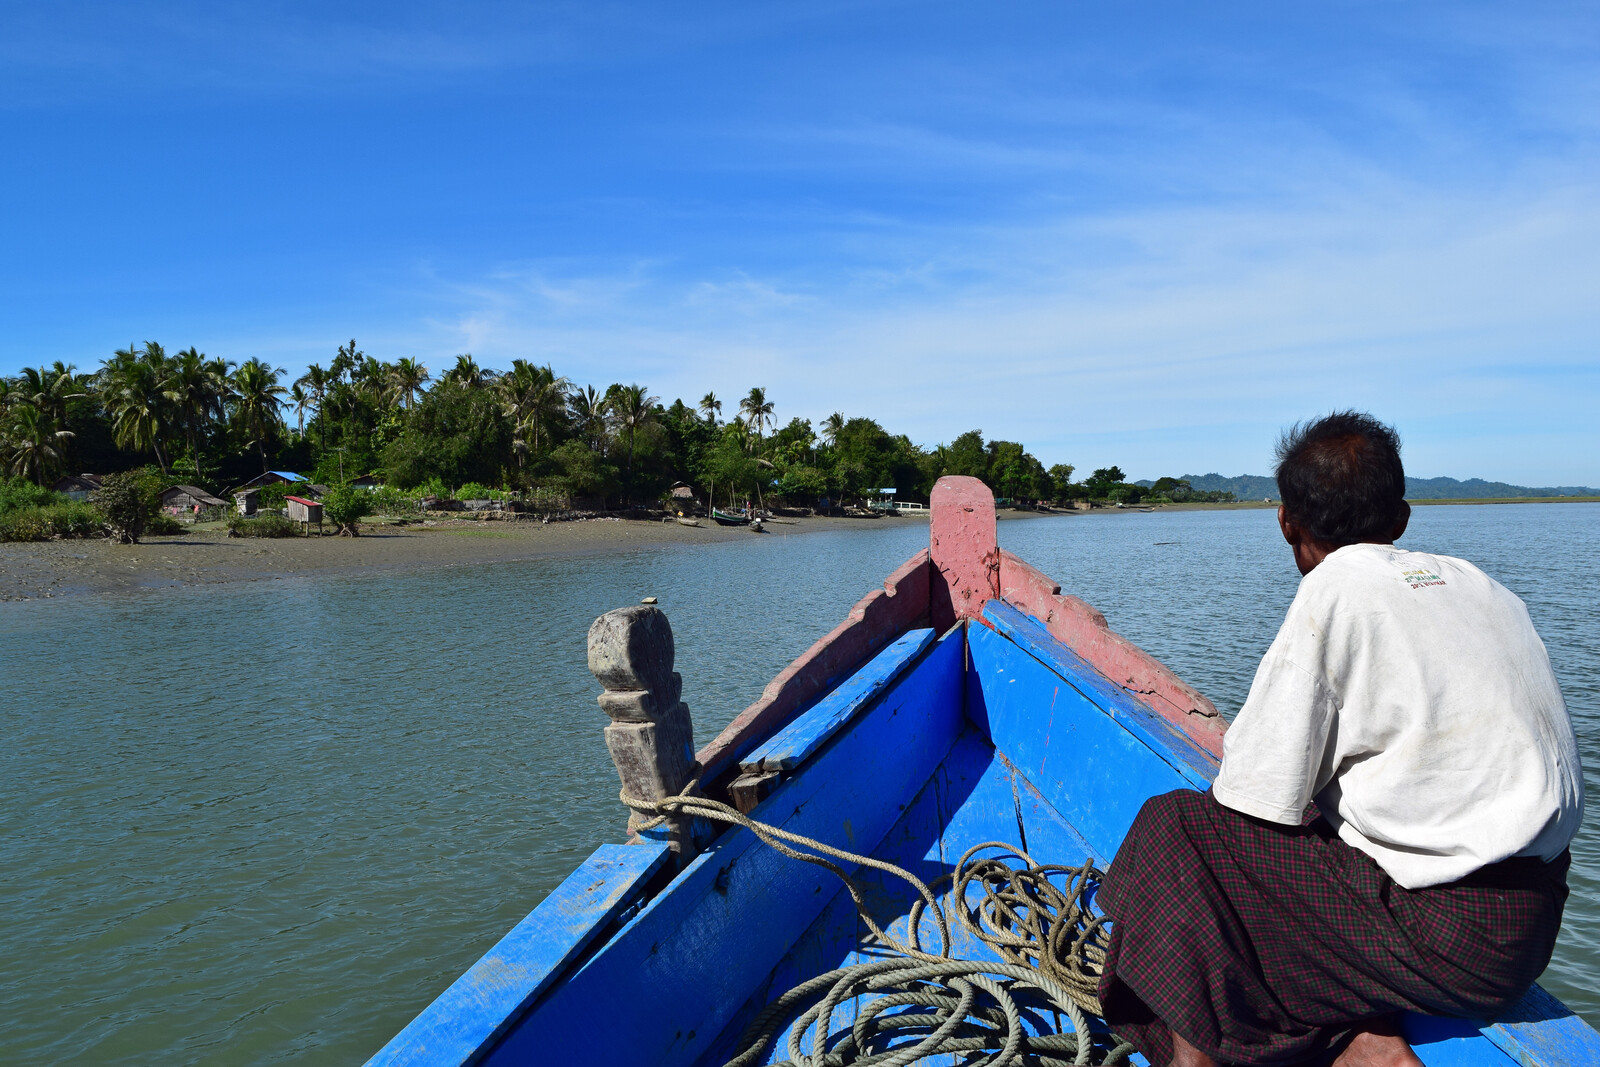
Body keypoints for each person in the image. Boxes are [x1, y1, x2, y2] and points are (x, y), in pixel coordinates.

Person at [1096, 411, 1583, 1067]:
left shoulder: (1336, 589)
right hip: (1531, 928)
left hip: (1446, 938)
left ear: (1286, 524)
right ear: (1402, 518)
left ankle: (1200, 1057)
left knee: (1177, 831)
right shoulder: (1482, 585)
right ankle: (1361, 1039)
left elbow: (1249, 797)